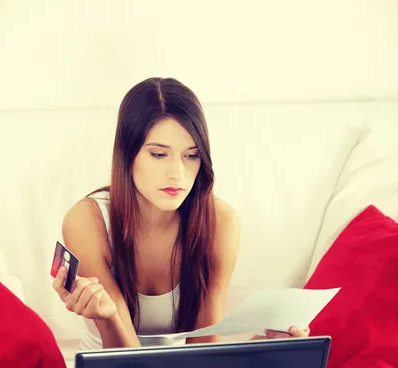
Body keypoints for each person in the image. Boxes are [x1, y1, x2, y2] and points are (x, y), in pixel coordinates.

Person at [53, 77, 309, 351]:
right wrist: (111, 315)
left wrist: (263, 345)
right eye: (159, 155)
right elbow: (124, 364)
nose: (177, 174)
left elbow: (203, 355)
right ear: (127, 155)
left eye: (191, 156)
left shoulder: (221, 222)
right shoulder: (87, 221)